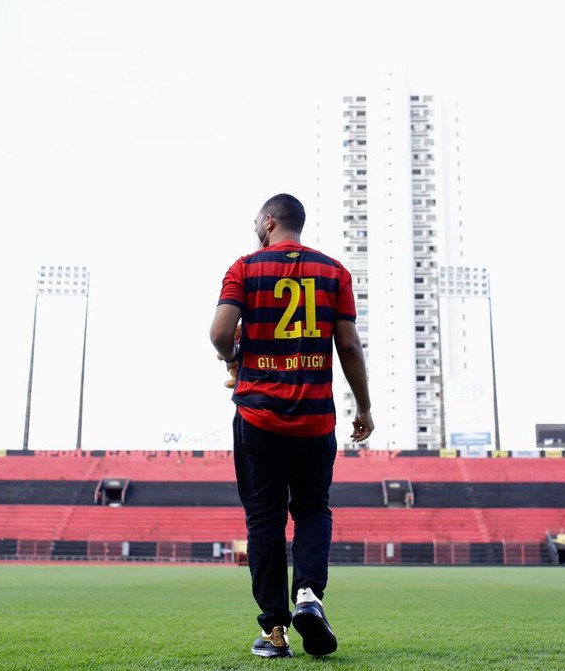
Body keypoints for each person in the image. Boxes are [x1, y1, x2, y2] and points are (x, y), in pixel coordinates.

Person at [210, 193, 373, 659]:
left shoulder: (244, 267)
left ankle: (276, 632)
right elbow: (350, 348)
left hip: (258, 416)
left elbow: (221, 333)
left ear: (268, 221)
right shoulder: (334, 272)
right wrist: (364, 407)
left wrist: (234, 359)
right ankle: (308, 597)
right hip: (315, 420)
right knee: (313, 510)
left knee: (264, 520)